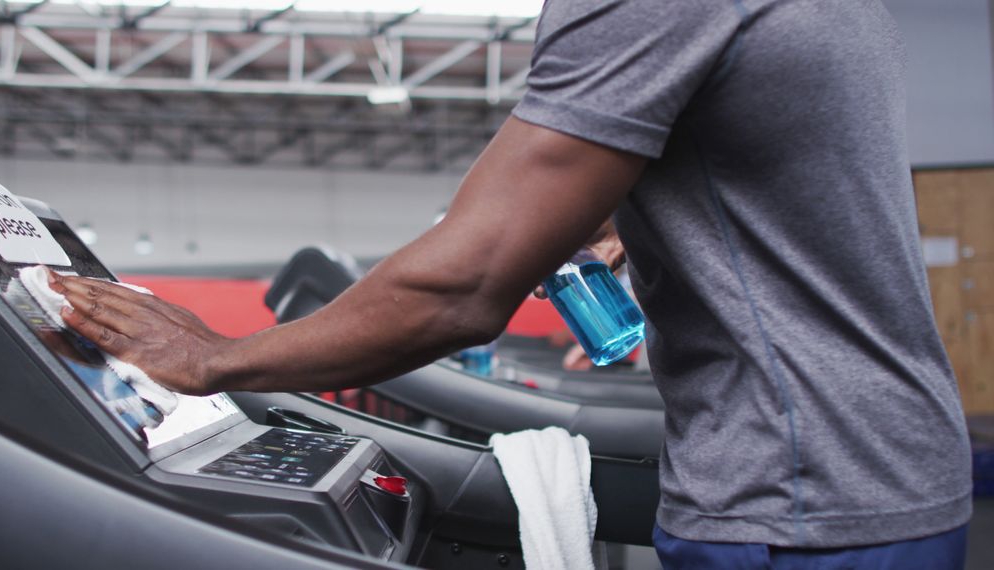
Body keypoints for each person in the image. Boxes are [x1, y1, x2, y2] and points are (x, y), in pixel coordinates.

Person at [50, 0, 973, 567]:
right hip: (876, 467)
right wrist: (647, 217)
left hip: (799, 499)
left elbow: (464, 285)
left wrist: (221, 359)